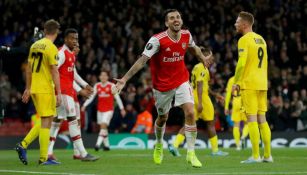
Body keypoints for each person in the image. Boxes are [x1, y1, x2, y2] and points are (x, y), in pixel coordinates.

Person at [112, 9, 213, 168]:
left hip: (181, 80)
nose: (176, 20)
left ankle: (191, 153)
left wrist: (203, 59)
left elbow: (194, 48)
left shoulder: (186, 35)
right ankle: (159, 144)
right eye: (172, 18)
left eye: (178, 17)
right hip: (162, 86)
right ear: (166, 23)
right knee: (162, 118)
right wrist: (124, 79)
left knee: (191, 112)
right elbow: (142, 60)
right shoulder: (157, 40)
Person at [15, 19, 62, 165]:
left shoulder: (34, 45)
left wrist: (28, 88)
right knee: (47, 122)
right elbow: (54, 71)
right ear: (56, 31)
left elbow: (28, 69)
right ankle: (43, 158)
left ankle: (24, 145)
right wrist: (59, 92)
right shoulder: (51, 47)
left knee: (44, 120)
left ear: (45, 30)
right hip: (45, 89)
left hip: (35, 88)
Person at [47, 29, 99, 161]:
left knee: (57, 121)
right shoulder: (61, 53)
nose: (75, 41)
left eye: (76, 39)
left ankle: (48, 153)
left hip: (66, 92)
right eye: (72, 38)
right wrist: (56, 91)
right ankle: (82, 153)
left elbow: (73, 73)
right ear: (65, 39)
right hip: (63, 92)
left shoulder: (71, 54)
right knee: (73, 120)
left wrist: (85, 85)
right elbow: (52, 70)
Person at [168, 47, 228, 157]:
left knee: (189, 124)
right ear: (203, 57)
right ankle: (215, 150)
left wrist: (216, 95)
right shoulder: (202, 68)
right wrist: (200, 103)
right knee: (210, 123)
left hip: (192, 97)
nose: (212, 60)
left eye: (212, 58)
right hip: (201, 99)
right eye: (210, 58)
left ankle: (174, 145)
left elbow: (204, 86)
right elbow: (200, 85)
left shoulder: (198, 67)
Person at [232, 11, 273, 163]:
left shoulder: (244, 40)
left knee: (252, 120)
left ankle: (255, 156)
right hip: (262, 83)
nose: (235, 24)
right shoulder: (261, 39)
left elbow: (241, 63)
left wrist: (236, 81)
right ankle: (267, 155)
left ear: (244, 24)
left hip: (249, 84)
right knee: (262, 119)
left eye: (237, 22)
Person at [81, 71, 126, 151]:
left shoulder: (111, 85)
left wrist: (122, 108)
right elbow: (91, 97)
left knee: (103, 126)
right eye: (102, 75)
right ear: (99, 77)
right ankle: (107, 145)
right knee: (103, 128)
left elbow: (117, 98)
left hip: (109, 110)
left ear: (107, 77)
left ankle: (97, 145)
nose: (103, 77)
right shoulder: (97, 85)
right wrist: (84, 105)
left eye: (105, 75)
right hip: (100, 111)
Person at [224, 76, 249, 150]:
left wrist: (226, 107)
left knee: (236, 125)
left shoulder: (231, 79)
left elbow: (228, 94)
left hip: (236, 101)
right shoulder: (245, 78)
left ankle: (238, 145)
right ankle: (243, 136)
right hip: (244, 101)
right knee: (247, 123)